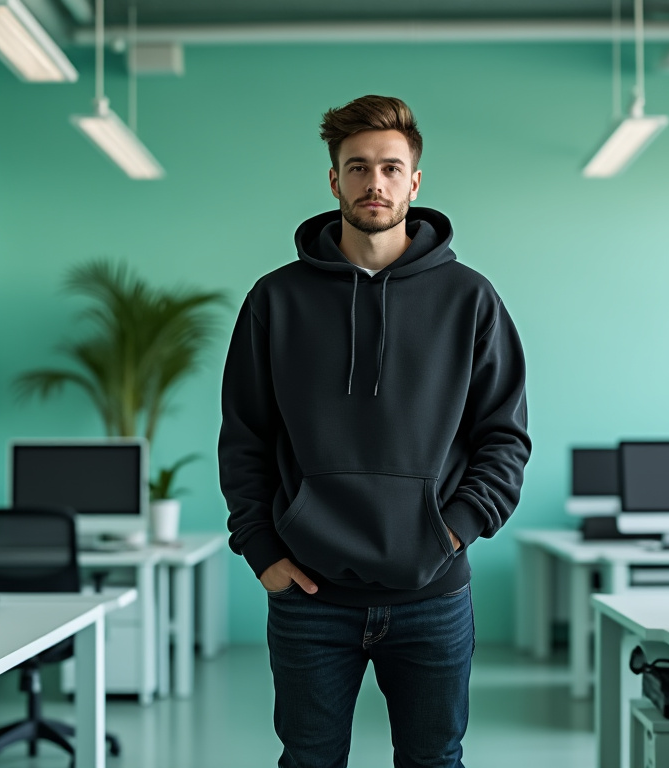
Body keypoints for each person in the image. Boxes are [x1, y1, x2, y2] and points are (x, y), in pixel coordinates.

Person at [218, 94, 531, 768]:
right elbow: (244, 437)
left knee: (434, 762)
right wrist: (261, 549)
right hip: (309, 595)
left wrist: (450, 531)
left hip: (433, 594)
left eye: (391, 168)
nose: (375, 183)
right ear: (334, 180)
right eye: (357, 168)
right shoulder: (275, 299)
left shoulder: (470, 299)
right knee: (308, 762)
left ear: (415, 182)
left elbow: (504, 438)